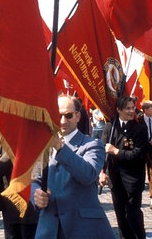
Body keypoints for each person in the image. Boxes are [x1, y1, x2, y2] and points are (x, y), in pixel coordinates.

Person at [32, 95, 115, 238]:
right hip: (49, 227)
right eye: (57, 116)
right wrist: (36, 194)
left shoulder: (92, 145)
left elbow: (88, 174)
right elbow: (34, 179)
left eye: (68, 115)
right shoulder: (43, 146)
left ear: (77, 116)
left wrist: (60, 148)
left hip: (83, 228)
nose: (63, 121)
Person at [100, 96, 148, 239]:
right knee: (121, 217)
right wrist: (102, 171)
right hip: (116, 179)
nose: (131, 111)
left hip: (133, 179)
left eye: (133, 108)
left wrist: (117, 151)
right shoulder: (110, 127)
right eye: (127, 108)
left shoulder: (140, 129)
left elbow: (138, 154)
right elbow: (102, 151)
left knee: (133, 215)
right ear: (118, 110)